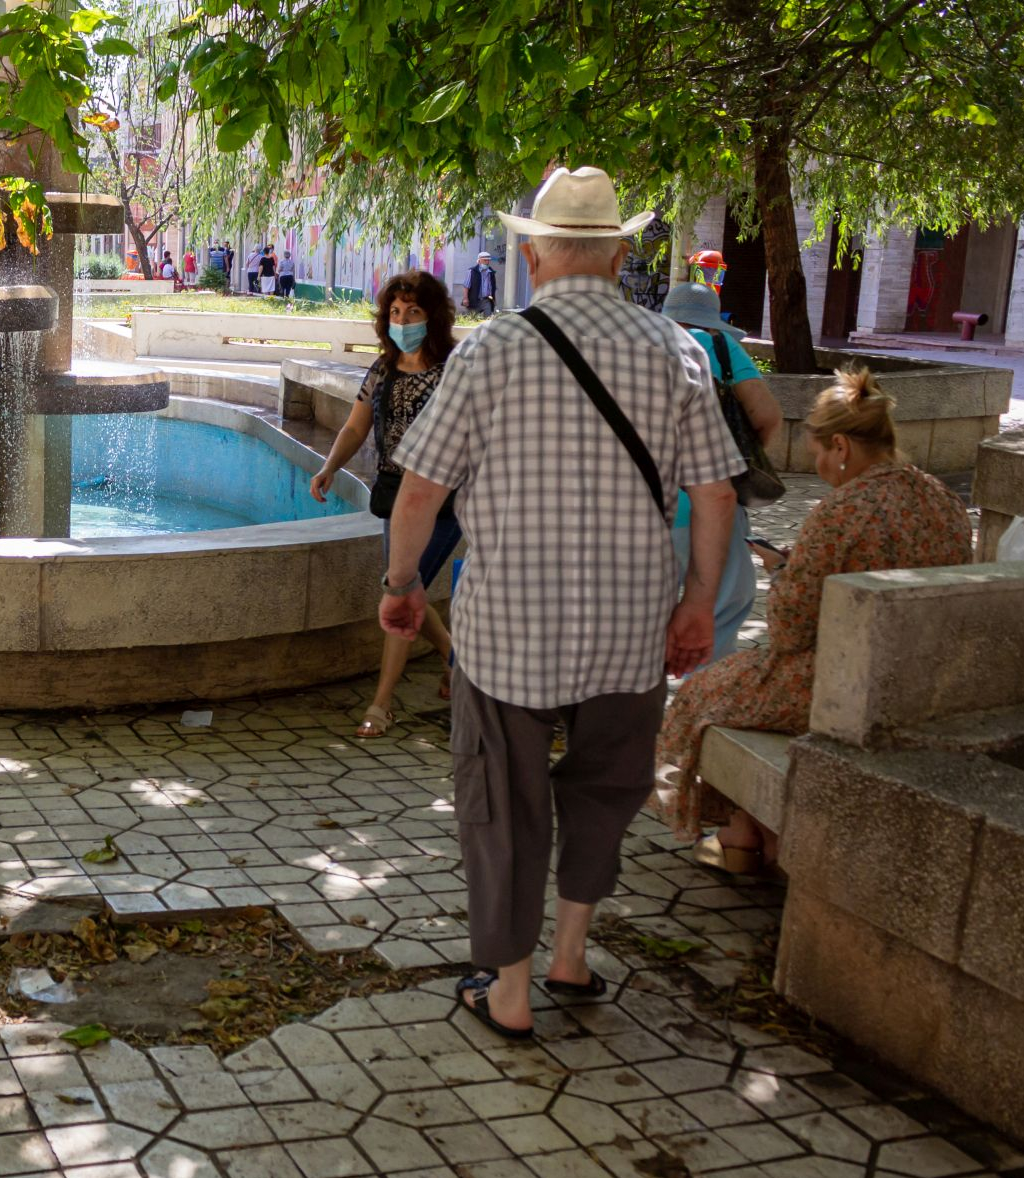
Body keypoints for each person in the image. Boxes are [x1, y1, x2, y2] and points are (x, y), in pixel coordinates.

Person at [380, 166, 742, 1041]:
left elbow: (420, 490)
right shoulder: (678, 350)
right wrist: (698, 602)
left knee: (503, 803)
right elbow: (717, 494)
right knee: (606, 788)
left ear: (535, 257)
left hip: (509, 629)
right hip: (632, 625)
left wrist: (401, 586)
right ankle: (571, 955)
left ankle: (508, 991)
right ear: (618, 255)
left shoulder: (491, 350)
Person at [656, 369, 971, 872]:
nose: (816, 466)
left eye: (817, 452)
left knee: (703, 692)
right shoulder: (942, 499)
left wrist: (782, 573)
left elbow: (788, 631)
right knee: (730, 685)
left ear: (840, 446)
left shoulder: (841, 512)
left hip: (843, 680)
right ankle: (754, 827)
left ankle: (742, 832)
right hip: (925, 675)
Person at [309, 270, 460, 736]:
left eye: (413, 312)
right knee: (409, 586)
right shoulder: (382, 369)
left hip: (444, 498)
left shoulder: (454, 371)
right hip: (395, 495)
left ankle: (382, 702)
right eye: (395, 312)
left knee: (400, 590)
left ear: (433, 316)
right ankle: (455, 660)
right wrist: (330, 466)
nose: (403, 321)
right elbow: (355, 427)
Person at [659, 282, 783, 665]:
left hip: (651, 509)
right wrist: (737, 460)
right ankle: (702, 694)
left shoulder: (642, 346)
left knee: (647, 623)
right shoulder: (721, 347)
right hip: (716, 504)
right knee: (721, 615)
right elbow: (766, 416)